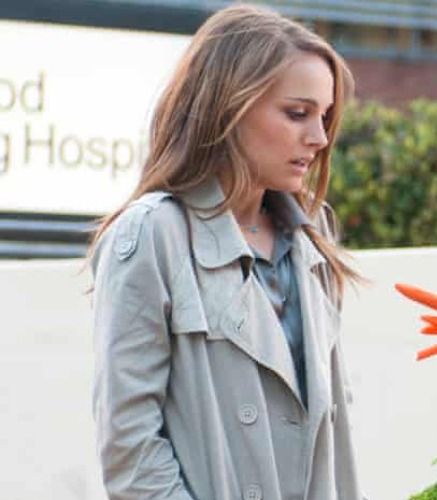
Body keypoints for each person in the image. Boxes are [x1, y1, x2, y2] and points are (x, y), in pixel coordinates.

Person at [88, 5, 365, 500]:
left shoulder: (312, 235)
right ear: (229, 107)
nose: (319, 138)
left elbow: (333, 443)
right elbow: (131, 450)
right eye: (297, 114)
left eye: (324, 117)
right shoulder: (154, 233)